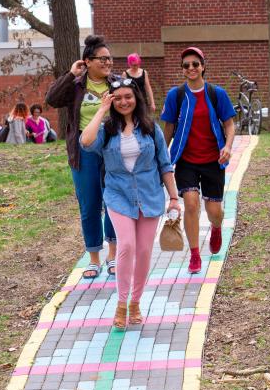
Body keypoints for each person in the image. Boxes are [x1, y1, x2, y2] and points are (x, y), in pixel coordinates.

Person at [80, 80, 178, 328]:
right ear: (113, 100)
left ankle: (135, 302)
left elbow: (165, 165)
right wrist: (101, 110)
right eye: (119, 97)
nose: (124, 101)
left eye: (129, 96)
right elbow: (85, 141)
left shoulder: (150, 129)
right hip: (118, 195)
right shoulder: (107, 130)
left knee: (144, 250)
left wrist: (174, 198)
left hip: (149, 195)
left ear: (137, 99)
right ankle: (121, 304)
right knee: (126, 246)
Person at [45, 34, 118, 279]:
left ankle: (113, 255)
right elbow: (51, 99)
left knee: (113, 203)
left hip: (112, 149)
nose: (108, 63)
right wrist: (69, 74)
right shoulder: (76, 86)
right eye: (102, 59)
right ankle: (94, 258)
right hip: (83, 150)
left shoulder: (117, 84)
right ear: (87, 61)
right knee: (89, 205)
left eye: (110, 59)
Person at [160, 46, 236, 274]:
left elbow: (230, 124)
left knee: (214, 210)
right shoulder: (177, 95)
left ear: (203, 66)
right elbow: (169, 127)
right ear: (182, 70)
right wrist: (162, 155)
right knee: (191, 203)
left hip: (213, 159)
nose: (191, 68)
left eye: (195, 64)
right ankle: (194, 255)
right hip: (186, 160)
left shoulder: (216, 93)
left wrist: (228, 146)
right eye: (186, 65)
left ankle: (216, 227)